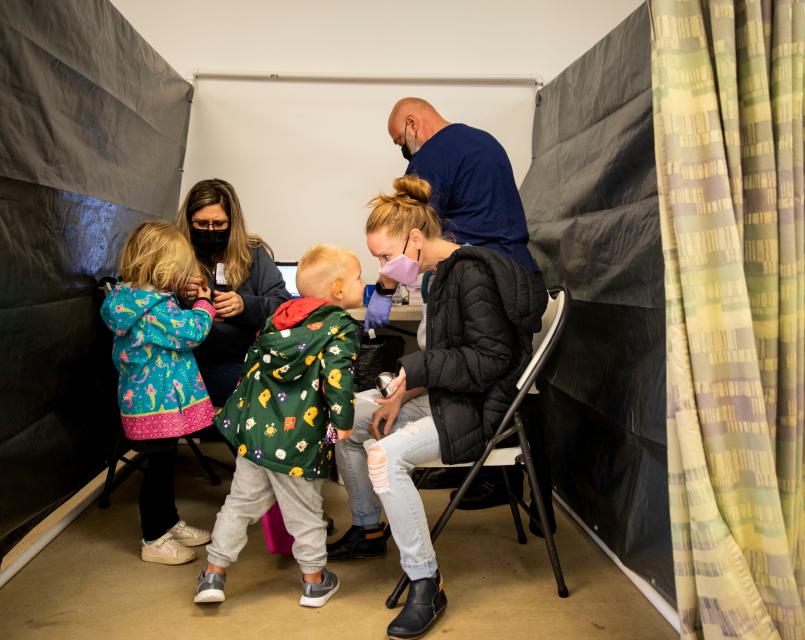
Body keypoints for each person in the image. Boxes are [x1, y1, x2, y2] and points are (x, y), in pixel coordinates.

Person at [338, 176, 546, 639]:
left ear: (415, 239)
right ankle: (369, 530)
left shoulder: (470, 273)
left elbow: (492, 362)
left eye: (384, 256)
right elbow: (450, 362)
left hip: (483, 409)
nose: (383, 270)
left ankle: (426, 581)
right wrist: (403, 393)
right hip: (450, 397)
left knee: (384, 455)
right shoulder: (441, 277)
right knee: (348, 418)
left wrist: (414, 370)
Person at [193, 244, 363, 607]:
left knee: (238, 505)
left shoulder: (280, 317)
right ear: (337, 289)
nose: (363, 284)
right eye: (359, 278)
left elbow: (251, 366)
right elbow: (338, 376)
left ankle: (213, 574)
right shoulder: (341, 327)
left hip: (257, 433)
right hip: (299, 439)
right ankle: (315, 580)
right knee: (305, 512)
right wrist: (343, 423)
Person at [364, 97, 539, 332]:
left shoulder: (430, 157)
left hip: (479, 283)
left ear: (412, 123)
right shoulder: (486, 142)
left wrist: (385, 291)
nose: (404, 150)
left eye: (400, 142)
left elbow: (404, 232)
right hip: (520, 275)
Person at [100, 221, 216, 565]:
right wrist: (204, 305)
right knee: (159, 471)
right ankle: (153, 538)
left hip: (148, 404)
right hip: (158, 406)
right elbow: (193, 331)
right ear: (164, 267)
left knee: (163, 463)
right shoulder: (154, 310)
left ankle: (169, 520)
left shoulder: (129, 299)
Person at [176, 179, 290, 406]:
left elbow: (283, 307)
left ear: (232, 222)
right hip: (186, 361)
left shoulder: (253, 253)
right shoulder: (171, 253)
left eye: (218, 224)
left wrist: (243, 306)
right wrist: (180, 296)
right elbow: (147, 305)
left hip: (242, 359)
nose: (210, 231)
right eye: (201, 224)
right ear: (188, 222)